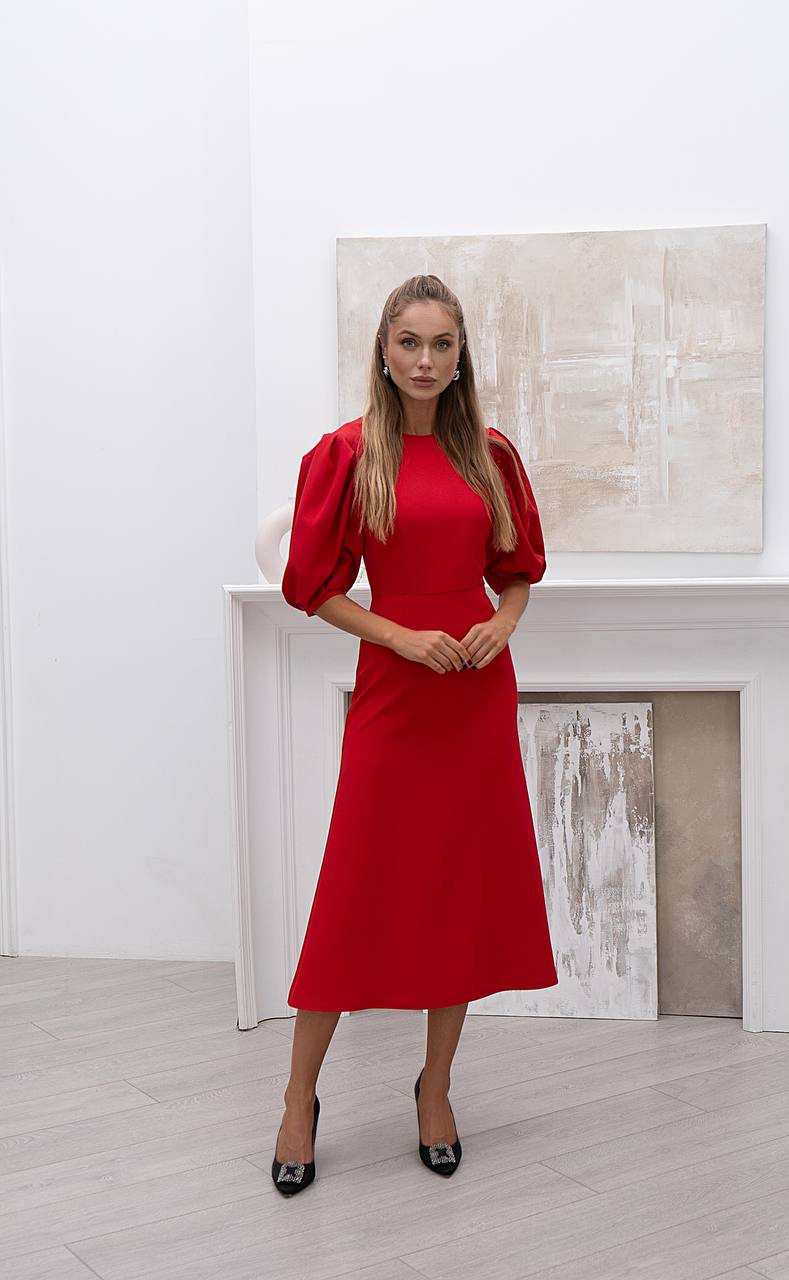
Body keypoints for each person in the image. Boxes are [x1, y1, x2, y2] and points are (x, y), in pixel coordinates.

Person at [271, 273, 558, 1195]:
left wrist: (501, 623)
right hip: (397, 694)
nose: (426, 361)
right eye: (409, 343)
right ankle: (295, 1098)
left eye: (442, 344)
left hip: (475, 692)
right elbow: (311, 586)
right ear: (383, 351)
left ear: (461, 351)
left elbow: (515, 573)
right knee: (354, 891)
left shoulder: (492, 454)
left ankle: (435, 1088)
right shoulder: (347, 455)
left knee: (457, 892)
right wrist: (400, 637)